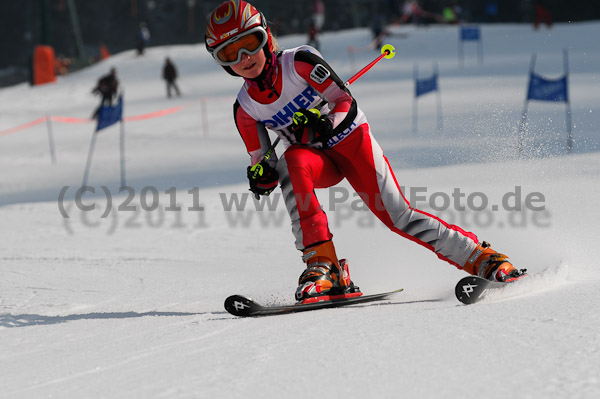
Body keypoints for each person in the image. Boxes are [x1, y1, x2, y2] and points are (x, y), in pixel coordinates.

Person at [204, 1, 525, 302]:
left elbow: (344, 100)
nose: (244, 57)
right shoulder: (245, 109)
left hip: (351, 141)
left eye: (250, 43)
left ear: (266, 37)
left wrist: (326, 122)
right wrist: (262, 177)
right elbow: (263, 160)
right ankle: (325, 267)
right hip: (315, 161)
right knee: (291, 162)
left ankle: (481, 257)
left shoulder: (298, 62)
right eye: (230, 53)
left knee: (397, 216)